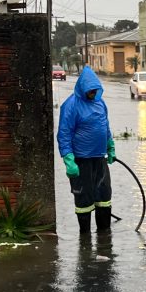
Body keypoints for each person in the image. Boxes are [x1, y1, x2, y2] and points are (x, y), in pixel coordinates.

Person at [58, 65, 117, 234]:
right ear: (83, 88)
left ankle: (104, 237)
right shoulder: (70, 105)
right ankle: (85, 240)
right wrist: (68, 159)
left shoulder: (100, 103)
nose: (92, 93)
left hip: (99, 158)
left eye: (95, 90)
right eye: (90, 90)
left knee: (104, 196)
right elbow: (64, 134)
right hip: (80, 161)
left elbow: (105, 126)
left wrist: (110, 146)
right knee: (84, 199)